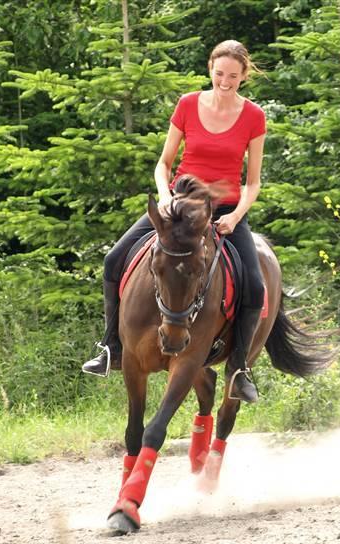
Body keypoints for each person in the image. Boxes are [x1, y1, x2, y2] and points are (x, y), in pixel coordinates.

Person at [82, 40, 266, 403]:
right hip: (178, 206)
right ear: (210, 69)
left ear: (244, 76)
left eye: (233, 75)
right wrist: (165, 198)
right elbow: (163, 163)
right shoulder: (187, 104)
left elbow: (254, 181)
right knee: (113, 259)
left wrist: (235, 216)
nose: (224, 81)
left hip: (225, 210)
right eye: (219, 73)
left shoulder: (254, 116)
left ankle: (239, 369)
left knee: (256, 287)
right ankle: (110, 347)